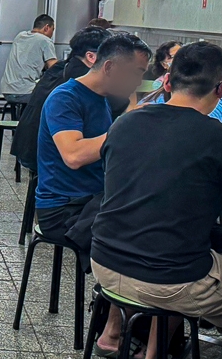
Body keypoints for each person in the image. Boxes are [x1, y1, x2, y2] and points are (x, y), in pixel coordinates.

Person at [90, 43, 222, 359]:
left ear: (167, 81)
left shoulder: (126, 122)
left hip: (105, 265)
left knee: (177, 252)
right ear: (221, 89)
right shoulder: (217, 138)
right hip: (167, 279)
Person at [35, 32, 151, 257]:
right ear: (109, 68)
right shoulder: (65, 98)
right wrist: (124, 126)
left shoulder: (102, 98)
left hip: (91, 200)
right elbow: (74, 155)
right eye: (136, 73)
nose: (137, 82)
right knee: (144, 233)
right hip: (63, 209)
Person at [12, 26, 108, 174]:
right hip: (48, 157)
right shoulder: (85, 80)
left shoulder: (60, 67)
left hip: (26, 145)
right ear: (91, 56)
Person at [1, 14, 58, 104]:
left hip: (7, 91)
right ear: (46, 27)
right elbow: (54, 68)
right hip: (26, 92)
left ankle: (23, 117)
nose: (52, 34)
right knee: (56, 96)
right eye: (53, 30)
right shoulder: (45, 40)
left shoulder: (20, 36)